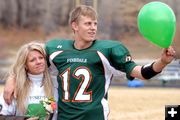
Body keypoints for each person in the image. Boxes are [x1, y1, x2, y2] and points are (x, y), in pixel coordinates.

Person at [3, 5, 176, 120]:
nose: (93, 27)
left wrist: (161, 62)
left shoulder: (108, 50)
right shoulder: (56, 49)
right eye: (87, 23)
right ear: (75, 26)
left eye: (95, 23)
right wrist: (12, 79)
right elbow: (30, 61)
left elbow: (141, 72)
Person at [0, 42, 56, 120]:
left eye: (41, 57)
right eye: (32, 60)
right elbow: (2, 116)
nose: (38, 62)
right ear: (25, 65)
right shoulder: (15, 88)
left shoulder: (57, 83)